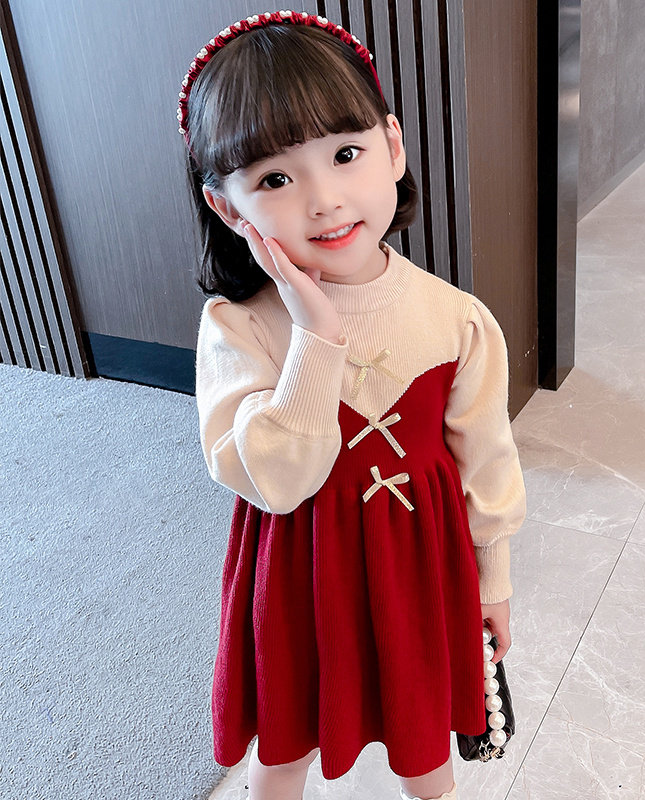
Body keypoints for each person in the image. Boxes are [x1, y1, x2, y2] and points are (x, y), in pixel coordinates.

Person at [179, 11, 526, 800]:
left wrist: (493, 582)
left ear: (393, 146)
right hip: (301, 575)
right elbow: (275, 482)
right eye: (274, 179)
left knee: (425, 743)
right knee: (285, 747)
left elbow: (487, 462)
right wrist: (315, 336)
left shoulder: (457, 319)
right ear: (228, 208)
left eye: (344, 154)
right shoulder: (238, 327)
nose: (325, 200)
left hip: (417, 566)